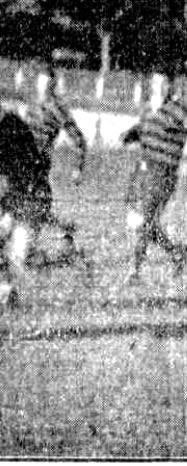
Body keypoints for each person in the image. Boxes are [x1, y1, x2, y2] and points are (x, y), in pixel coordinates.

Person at [119, 72, 187, 283]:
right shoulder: (148, 108)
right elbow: (142, 128)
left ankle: (134, 271)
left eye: (163, 83)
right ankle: (176, 252)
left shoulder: (179, 111)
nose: (158, 87)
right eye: (154, 83)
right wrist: (129, 135)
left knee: (143, 222)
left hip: (163, 174)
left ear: (171, 86)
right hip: (141, 172)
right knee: (136, 222)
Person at [22, 68, 88, 265]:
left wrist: (78, 168)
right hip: (22, 165)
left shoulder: (57, 108)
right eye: (41, 85)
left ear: (53, 86)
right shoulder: (31, 106)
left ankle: (65, 244)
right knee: (28, 211)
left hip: (37, 167)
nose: (43, 90)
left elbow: (79, 140)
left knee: (31, 213)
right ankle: (65, 234)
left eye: (48, 86)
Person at [0, 107, 46, 310]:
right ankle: (7, 291)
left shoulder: (15, 129)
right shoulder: (15, 127)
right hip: (14, 198)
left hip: (24, 199)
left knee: (18, 252)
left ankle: (8, 291)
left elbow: (33, 168)